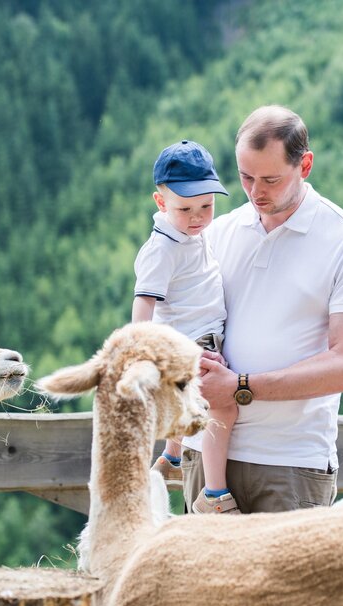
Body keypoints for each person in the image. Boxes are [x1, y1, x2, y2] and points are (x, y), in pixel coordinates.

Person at [185, 105, 343, 514]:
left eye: (271, 179)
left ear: (304, 165)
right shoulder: (214, 234)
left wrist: (240, 385)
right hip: (206, 454)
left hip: (291, 464)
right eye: (245, 177)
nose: (256, 192)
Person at [133, 140, 241, 514]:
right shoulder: (162, 248)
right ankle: (214, 493)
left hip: (196, 336)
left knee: (189, 405)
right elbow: (144, 300)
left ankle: (172, 458)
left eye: (206, 206)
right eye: (185, 208)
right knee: (221, 410)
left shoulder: (190, 234)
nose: (197, 217)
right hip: (191, 341)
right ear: (160, 203)